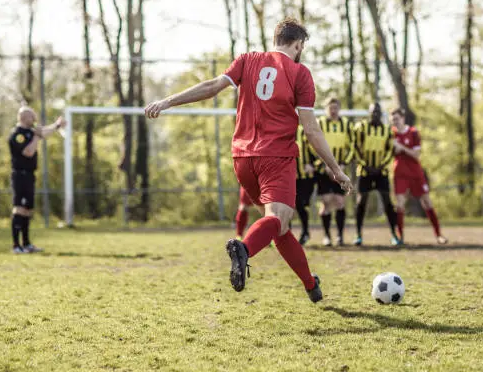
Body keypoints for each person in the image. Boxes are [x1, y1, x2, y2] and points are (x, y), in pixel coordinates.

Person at [145, 17, 353, 303]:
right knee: (276, 220)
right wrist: (336, 169)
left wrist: (167, 101)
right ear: (298, 44)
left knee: (279, 228)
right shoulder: (299, 73)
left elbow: (212, 86)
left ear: (274, 39)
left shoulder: (247, 60)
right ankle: (243, 249)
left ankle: (310, 285)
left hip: (242, 160)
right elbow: (312, 130)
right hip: (276, 158)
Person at [9, 106, 65, 254]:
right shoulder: (17, 135)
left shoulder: (29, 132)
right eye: (32, 117)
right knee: (19, 209)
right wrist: (36, 137)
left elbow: (43, 133)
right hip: (19, 176)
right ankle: (16, 246)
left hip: (29, 175)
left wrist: (56, 125)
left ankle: (26, 244)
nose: (34, 120)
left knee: (27, 210)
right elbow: (28, 152)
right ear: (24, 117)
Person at [391, 108, 447, 244]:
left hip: (415, 172)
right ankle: (400, 236)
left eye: (397, 119)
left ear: (403, 118)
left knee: (426, 201)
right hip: (400, 173)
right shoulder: (391, 134)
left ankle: (438, 234)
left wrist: (402, 148)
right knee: (399, 204)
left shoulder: (413, 132)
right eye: (393, 120)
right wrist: (393, 149)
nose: (395, 122)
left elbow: (416, 154)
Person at [353, 103, 400, 246]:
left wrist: (380, 166)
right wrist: (365, 165)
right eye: (373, 112)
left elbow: (390, 151)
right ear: (369, 113)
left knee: (388, 202)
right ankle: (359, 234)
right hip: (364, 171)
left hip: (381, 171)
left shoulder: (387, 131)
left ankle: (394, 234)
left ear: (381, 114)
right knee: (361, 202)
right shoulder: (361, 128)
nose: (375, 114)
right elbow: (355, 148)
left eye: (378, 112)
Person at [314, 98, 354, 246]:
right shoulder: (320, 123)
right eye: (330, 108)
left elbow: (352, 147)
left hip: (341, 169)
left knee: (339, 201)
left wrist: (342, 165)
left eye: (335, 108)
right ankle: (326, 236)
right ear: (326, 109)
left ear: (339, 109)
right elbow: (314, 144)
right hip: (323, 169)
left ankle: (339, 236)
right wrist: (325, 165)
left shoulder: (346, 125)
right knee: (326, 201)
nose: (333, 110)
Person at [294, 124, 316, 245]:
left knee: (301, 205)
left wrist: (313, 165)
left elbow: (317, 150)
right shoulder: (280, 129)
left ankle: (305, 232)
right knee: (286, 206)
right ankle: (285, 235)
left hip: (306, 178)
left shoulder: (304, 131)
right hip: (288, 176)